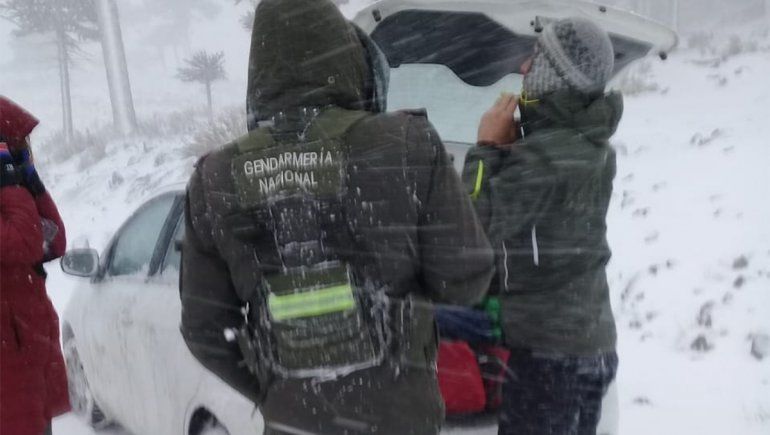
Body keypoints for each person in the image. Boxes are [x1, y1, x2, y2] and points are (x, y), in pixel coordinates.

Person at [179, 0, 494, 434]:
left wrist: (274, 390)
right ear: (349, 57)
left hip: (292, 421)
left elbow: (204, 330)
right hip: (400, 418)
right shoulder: (406, 145)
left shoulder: (215, 178)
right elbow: (466, 279)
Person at [463, 18, 622, 435]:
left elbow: (471, 232)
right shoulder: (587, 144)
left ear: (555, 74)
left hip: (552, 359)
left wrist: (486, 150)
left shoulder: (545, 157)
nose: (522, 68)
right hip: (584, 346)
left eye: (535, 60)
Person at [0, 96, 69, 435]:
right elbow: (25, 240)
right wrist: (10, 181)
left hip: (27, 367)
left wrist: (30, 179)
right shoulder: (6, 191)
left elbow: (54, 239)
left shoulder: (10, 192)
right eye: (15, 147)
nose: (23, 150)